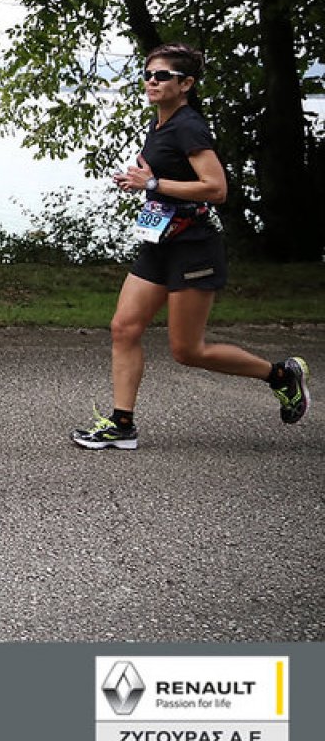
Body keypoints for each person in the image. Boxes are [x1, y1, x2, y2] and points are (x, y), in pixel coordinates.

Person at [72, 43, 310, 450]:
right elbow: (170, 182)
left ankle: (281, 375)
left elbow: (216, 188)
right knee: (124, 328)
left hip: (193, 246)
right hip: (160, 240)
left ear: (186, 84)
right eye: (148, 74)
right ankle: (122, 425)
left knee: (188, 350)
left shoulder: (189, 127)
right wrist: (145, 183)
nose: (151, 81)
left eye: (162, 76)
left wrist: (152, 183)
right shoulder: (160, 125)